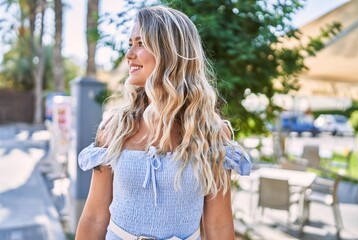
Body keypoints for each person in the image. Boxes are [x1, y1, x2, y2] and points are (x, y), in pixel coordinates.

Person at [76, 5, 251, 240]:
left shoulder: (211, 132)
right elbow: (94, 216)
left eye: (141, 43)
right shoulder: (115, 127)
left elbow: (218, 225)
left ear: (170, 52)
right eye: (130, 44)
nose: (129, 54)